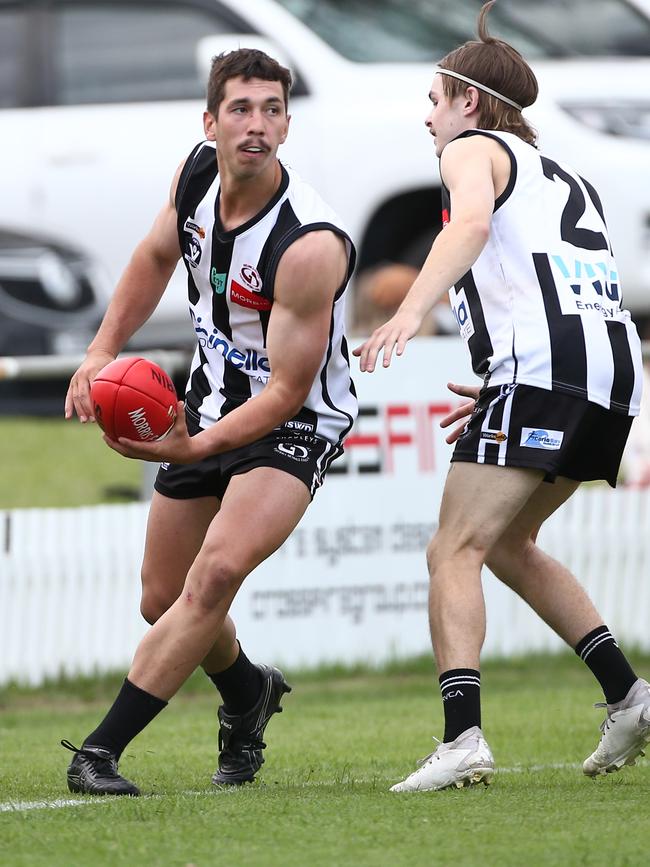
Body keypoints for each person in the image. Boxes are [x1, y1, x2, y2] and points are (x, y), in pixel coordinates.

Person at [355, 0, 649, 792]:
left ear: (471, 103)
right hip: (609, 373)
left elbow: (472, 228)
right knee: (510, 543)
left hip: (546, 369)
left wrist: (409, 311)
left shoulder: (473, 150)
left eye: (434, 100)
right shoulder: (564, 173)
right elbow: (552, 280)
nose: (428, 119)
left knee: (452, 548)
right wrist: (498, 377)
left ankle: (462, 738)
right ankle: (628, 693)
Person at [62, 48, 357, 795]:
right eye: (240, 109)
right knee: (163, 600)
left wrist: (191, 441)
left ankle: (99, 751)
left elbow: (288, 390)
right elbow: (155, 255)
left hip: (295, 423)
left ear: (288, 124)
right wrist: (100, 352)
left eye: (271, 110)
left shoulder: (309, 241)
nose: (256, 126)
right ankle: (248, 692)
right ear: (211, 121)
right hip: (210, 402)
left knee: (215, 575)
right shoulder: (195, 173)